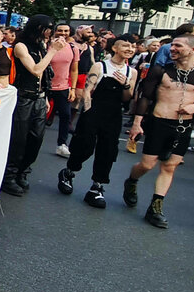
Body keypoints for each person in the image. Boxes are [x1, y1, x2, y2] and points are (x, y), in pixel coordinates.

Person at [123, 34, 194, 228]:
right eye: (172, 46)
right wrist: (137, 123)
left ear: (193, 50)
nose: (172, 49)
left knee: (169, 166)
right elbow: (145, 97)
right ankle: (131, 180)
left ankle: (155, 208)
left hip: (183, 126)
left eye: (178, 46)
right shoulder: (159, 70)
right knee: (147, 165)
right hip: (159, 123)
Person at [58, 34, 137, 208]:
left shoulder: (132, 72)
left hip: (114, 115)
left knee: (108, 150)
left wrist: (125, 85)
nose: (130, 49)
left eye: (133, 46)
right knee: (84, 145)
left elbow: (127, 98)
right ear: (114, 48)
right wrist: (87, 110)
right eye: (125, 45)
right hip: (94, 111)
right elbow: (88, 89)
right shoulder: (100, 66)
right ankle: (68, 172)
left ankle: (97, 187)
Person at [2, 14, 66, 196]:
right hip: (23, 97)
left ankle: (23, 171)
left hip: (39, 98)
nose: (49, 32)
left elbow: (44, 75)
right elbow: (36, 70)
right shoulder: (21, 46)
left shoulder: (41, 46)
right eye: (47, 28)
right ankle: (9, 176)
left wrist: (45, 96)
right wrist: (53, 51)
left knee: (36, 139)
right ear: (37, 28)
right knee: (19, 139)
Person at [48, 23, 79, 157]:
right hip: (46, 86)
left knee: (65, 115)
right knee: (39, 116)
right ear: (54, 31)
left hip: (63, 87)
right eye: (60, 30)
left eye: (66, 31)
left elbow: (74, 69)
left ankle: (61, 144)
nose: (63, 33)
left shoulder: (73, 48)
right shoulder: (47, 45)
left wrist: (73, 88)